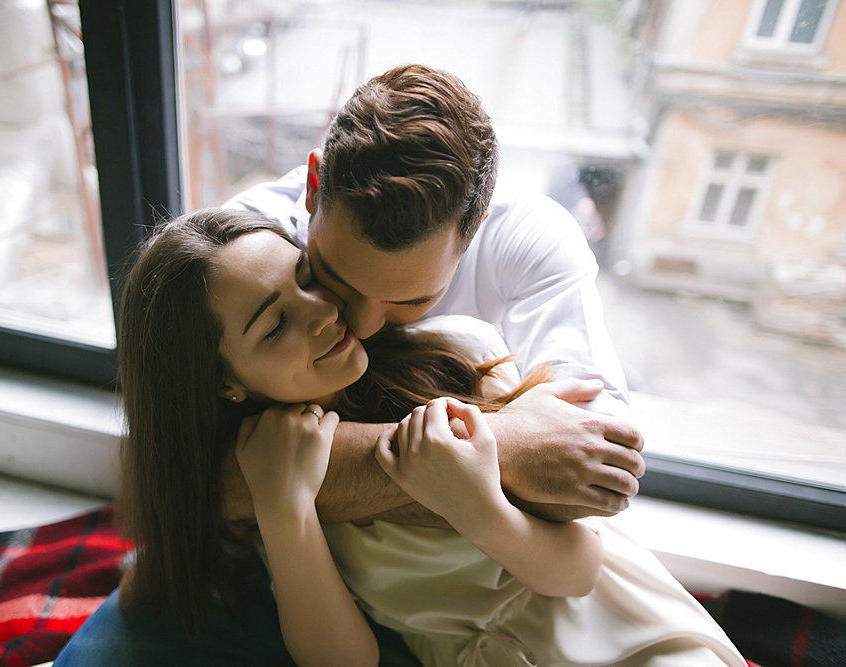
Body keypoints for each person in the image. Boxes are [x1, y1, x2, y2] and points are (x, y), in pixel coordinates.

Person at [54, 209, 744, 666]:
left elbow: (577, 570)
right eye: (274, 324)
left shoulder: (456, 352)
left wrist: (475, 502)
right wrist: (287, 509)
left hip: (617, 634)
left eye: (305, 277)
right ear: (223, 384)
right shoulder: (268, 473)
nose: (322, 313)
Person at [221, 64, 644, 531]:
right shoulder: (242, 247)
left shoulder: (529, 240)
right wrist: (505, 445)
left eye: (409, 300)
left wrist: (327, 472)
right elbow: (211, 480)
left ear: (478, 224)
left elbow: (599, 474)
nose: (359, 327)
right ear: (313, 186)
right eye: (330, 277)